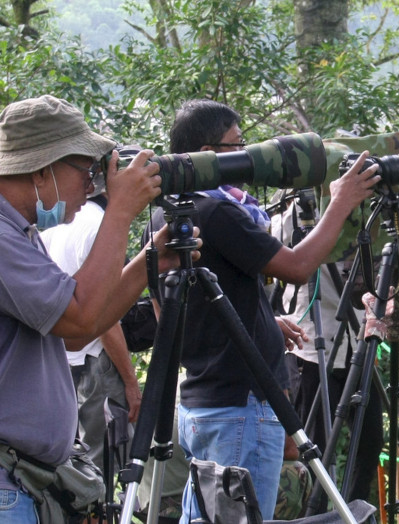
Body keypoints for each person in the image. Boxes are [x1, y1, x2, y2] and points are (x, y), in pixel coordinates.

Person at [0, 94, 194, 524]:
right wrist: (120, 210)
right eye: (86, 173)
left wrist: (150, 261)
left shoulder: (5, 227)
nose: (92, 186)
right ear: (42, 171)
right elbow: (79, 315)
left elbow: (76, 329)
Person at [151, 99, 379, 522]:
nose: (248, 156)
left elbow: (176, 306)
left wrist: (255, 320)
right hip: (241, 405)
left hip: (203, 403)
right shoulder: (218, 211)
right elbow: (296, 267)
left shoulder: (171, 211)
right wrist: (342, 201)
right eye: (237, 145)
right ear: (209, 153)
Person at [271, 197, 384, 511]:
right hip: (310, 342)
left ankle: (353, 512)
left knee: (371, 440)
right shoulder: (290, 212)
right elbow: (286, 261)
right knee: (314, 447)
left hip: (356, 338)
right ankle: (314, 514)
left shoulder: (363, 206)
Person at [41, 190, 143, 474]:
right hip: (95, 360)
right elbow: (105, 317)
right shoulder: (101, 228)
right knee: (106, 461)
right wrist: (130, 382)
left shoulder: (59, 222)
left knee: (71, 457)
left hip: (59, 360)